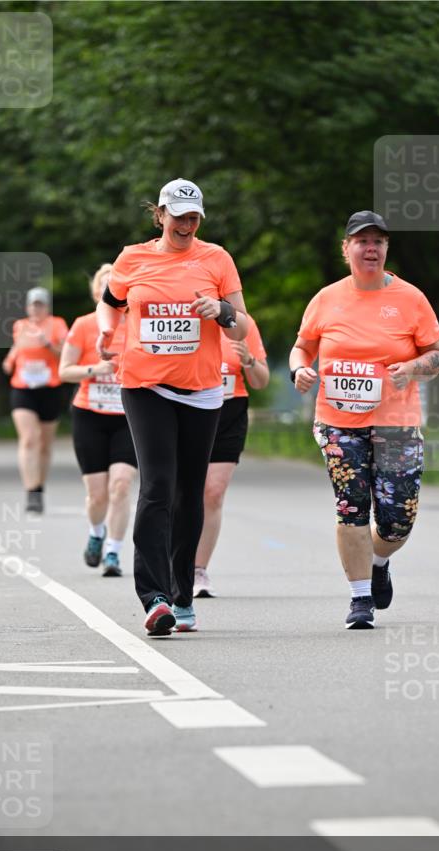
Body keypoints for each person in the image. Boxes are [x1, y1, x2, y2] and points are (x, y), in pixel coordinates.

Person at [96, 178, 248, 636]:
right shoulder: (132, 258)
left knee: (189, 493)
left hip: (201, 390)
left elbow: (241, 327)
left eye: (193, 216)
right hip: (144, 385)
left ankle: (183, 593)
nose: (185, 223)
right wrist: (108, 333)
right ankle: (155, 596)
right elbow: (110, 303)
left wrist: (219, 312)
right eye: (177, 215)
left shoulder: (216, 259)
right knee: (158, 486)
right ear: (159, 215)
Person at [290, 210, 439, 629]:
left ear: (386, 249)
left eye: (378, 241)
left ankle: (379, 560)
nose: (371, 248)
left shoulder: (410, 299)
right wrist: (299, 370)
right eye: (362, 241)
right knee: (351, 507)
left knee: (398, 519)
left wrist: (413, 368)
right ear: (347, 250)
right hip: (337, 421)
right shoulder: (326, 299)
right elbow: (301, 348)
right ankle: (360, 599)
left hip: (397, 422)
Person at [59, 264, 137, 577]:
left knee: (120, 486)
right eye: (105, 286)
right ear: (97, 293)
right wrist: (96, 370)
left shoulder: (137, 324)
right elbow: (64, 371)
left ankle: (114, 554)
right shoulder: (83, 325)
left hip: (129, 416)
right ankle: (96, 532)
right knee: (97, 494)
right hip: (89, 414)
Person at [193, 317, 269, 598]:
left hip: (230, 412)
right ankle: (175, 562)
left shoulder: (242, 324)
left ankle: (198, 569)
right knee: (186, 491)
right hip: (191, 409)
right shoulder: (186, 317)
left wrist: (249, 361)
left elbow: (261, 381)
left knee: (212, 493)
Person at [2, 288, 68, 513]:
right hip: (23, 388)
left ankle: (39, 487)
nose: (36, 309)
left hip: (50, 389)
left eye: (40, 305)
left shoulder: (57, 324)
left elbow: (67, 354)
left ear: (47, 307)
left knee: (45, 444)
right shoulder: (20, 326)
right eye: (32, 305)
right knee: (29, 439)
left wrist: (48, 344)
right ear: (27, 307)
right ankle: (31, 492)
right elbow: (16, 349)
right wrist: (9, 360)